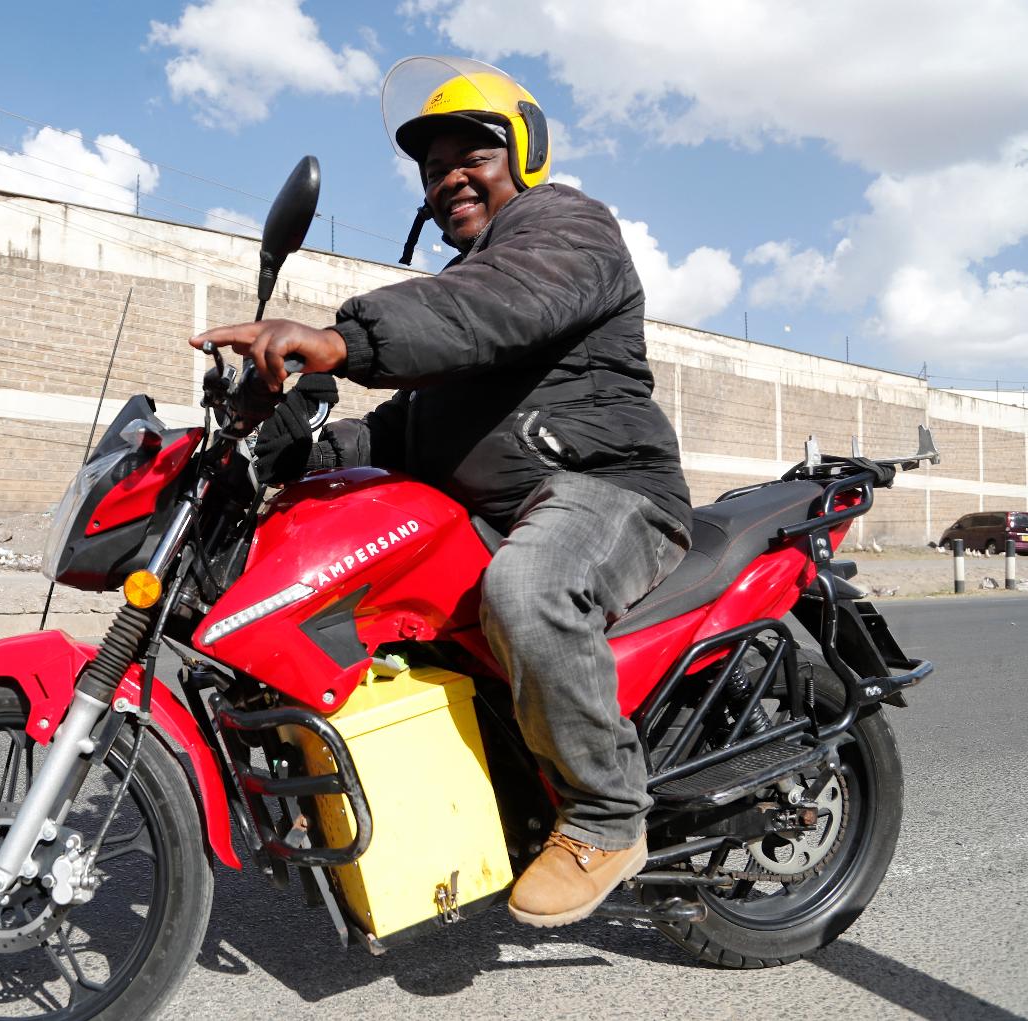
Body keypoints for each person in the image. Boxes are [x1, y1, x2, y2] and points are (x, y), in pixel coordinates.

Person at [190, 57, 692, 928]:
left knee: (527, 591)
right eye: (432, 167)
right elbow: (403, 433)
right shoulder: (466, 314)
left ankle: (609, 816)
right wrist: (284, 455)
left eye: (474, 155)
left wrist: (342, 339)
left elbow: (489, 305)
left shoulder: (565, 232)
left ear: (524, 155)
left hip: (607, 488)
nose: (449, 176)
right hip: (511, 504)